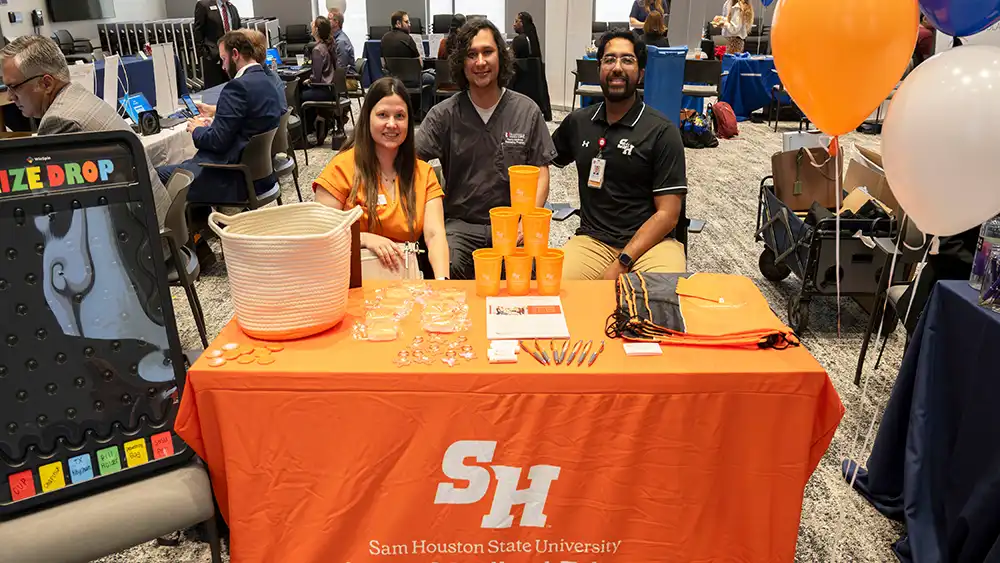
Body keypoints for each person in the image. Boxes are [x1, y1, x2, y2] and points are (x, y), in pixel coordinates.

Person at [416, 18, 557, 280]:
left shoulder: (526, 111)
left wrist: (526, 222)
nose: (480, 62)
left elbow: (541, 173)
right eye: (471, 55)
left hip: (513, 224)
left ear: (500, 57)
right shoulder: (444, 115)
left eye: (487, 52)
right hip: (461, 225)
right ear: (462, 63)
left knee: (528, 274)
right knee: (445, 268)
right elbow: (411, 161)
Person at [551, 30, 688, 280]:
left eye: (627, 60)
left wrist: (623, 261)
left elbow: (668, 215)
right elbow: (539, 159)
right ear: (599, 69)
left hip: (653, 244)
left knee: (661, 295)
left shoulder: (661, 131)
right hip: (593, 241)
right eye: (609, 59)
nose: (617, 67)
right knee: (556, 289)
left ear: (641, 73)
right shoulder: (578, 122)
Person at [0, 36, 169, 230]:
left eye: (14, 87)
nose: (10, 97)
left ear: (46, 84)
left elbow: (50, 203)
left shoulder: (59, 121)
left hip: (142, 234)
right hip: (153, 221)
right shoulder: (76, 96)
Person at [313, 77, 449, 279]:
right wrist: (364, 239)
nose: (392, 124)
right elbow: (320, 235)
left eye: (400, 116)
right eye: (382, 115)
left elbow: (435, 235)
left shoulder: (424, 173)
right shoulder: (341, 168)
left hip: (404, 280)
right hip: (349, 281)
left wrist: (442, 281)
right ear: (367, 117)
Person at [155, 31, 284, 204]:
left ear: (235, 54)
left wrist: (197, 130)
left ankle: (177, 222)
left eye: (223, 59)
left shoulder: (237, 87)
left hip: (232, 179)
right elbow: (246, 124)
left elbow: (216, 142)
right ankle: (200, 220)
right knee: (184, 165)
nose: (223, 67)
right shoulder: (268, 80)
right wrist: (215, 124)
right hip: (262, 176)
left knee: (155, 175)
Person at [381, 10, 434, 115]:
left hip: (393, 79)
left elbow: (383, 63)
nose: (409, 24)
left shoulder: (384, 39)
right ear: (398, 23)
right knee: (432, 78)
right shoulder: (408, 39)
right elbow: (420, 64)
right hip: (413, 80)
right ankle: (423, 111)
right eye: (406, 22)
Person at [300, 16, 338, 140]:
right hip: (331, 89)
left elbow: (316, 78)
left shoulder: (317, 49)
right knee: (306, 92)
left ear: (316, 30)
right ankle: (314, 127)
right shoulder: (329, 45)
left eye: (312, 25)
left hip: (323, 90)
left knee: (298, 95)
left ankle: (306, 132)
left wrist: (309, 80)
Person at [510, 11, 553, 121]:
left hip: (519, 85)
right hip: (532, 90)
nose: (513, 24)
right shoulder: (532, 40)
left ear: (522, 23)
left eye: (516, 21)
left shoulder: (519, 40)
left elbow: (511, 60)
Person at [194, 0, 242, 88]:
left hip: (232, 58)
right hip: (214, 58)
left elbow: (239, 30)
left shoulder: (232, 8)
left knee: (233, 88)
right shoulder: (204, 5)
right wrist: (205, 54)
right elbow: (198, 32)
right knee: (215, 90)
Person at [328, 9, 357, 76]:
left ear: (336, 22)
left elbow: (341, 68)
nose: (326, 22)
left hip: (347, 79)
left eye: (329, 19)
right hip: (342, 76)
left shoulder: (341, 41)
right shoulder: (335, 38)